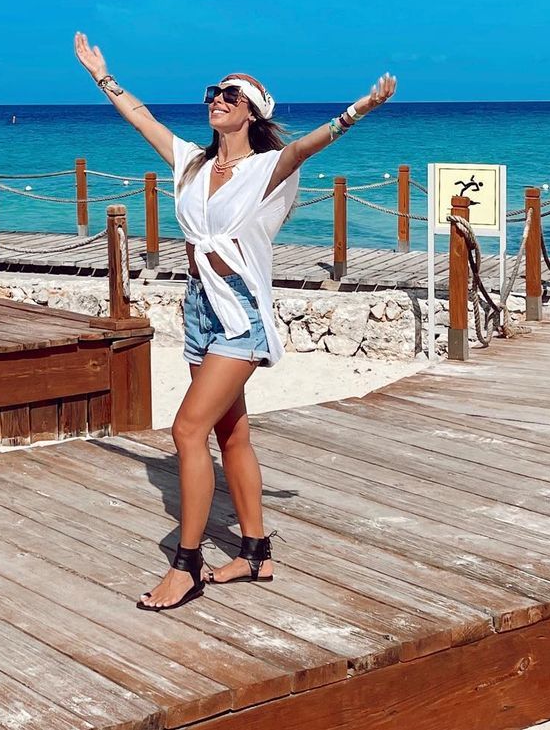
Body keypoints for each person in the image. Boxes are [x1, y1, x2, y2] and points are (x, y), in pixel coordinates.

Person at [73, 31, 396, 611]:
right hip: (199, 307)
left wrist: (360, 109)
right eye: (213, 93)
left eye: (230, 95)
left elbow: (307, 147)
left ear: (252, 112)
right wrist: (102, 75)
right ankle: (255, 551)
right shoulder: (192, 163)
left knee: (186, 431)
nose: (217, 99)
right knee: (230, 434)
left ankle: (187, 565)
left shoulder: (267, 168)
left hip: (240, 314)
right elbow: (142, 119)